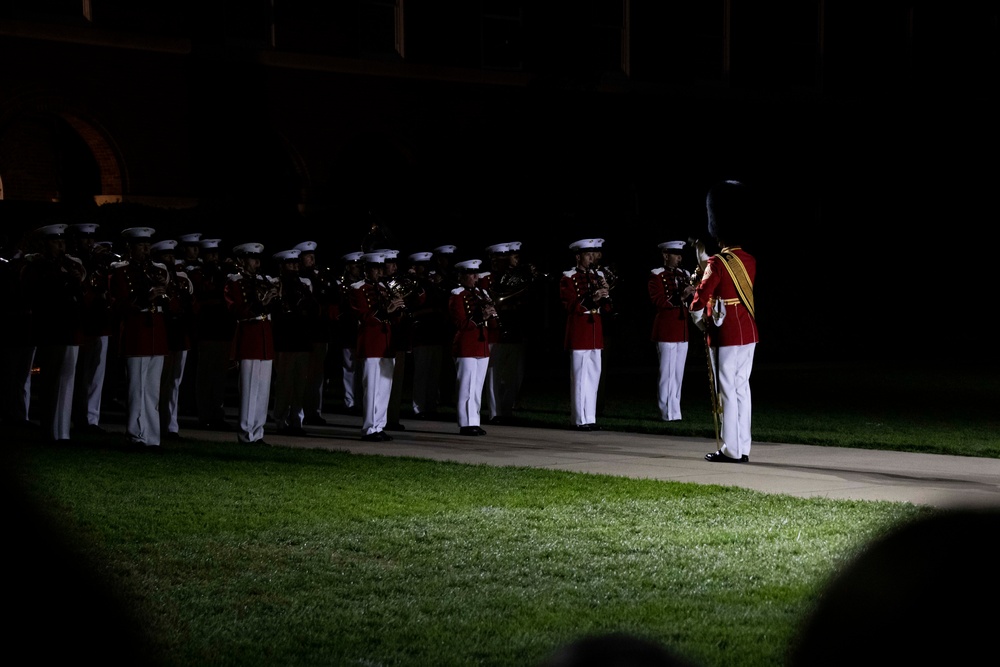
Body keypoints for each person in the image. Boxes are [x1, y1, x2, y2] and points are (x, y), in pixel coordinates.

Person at [689, 180, 758, 463]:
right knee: (742, 388)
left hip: (726, 332)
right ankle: (743, 446)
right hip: (748, 330)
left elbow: (699, 300)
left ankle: (730, 449)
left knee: (727, 390)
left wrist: (697, 305)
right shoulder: (750, 260)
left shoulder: (718, 263)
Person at [20, 223, 87, 443]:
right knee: (50, 382)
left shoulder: (67, 264)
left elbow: (78, 293)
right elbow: (38, 294)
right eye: (56, 242)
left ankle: (63, 431)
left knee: (66, 380)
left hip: (68, 328)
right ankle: (49, 430)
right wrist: (64, 279)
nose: (61, 246)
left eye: (62, 242)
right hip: (50, 329)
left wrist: (74, 280)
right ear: (45, 244)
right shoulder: (37, 266)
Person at [107, 227, 169, 450]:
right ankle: (135, 434)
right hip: (136, 330)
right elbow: (118, 303)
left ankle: (152, 437)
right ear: (130, 248)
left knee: (152, 390)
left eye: (147, 245)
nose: (145, 249)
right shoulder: (121, 271)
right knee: (136, 388)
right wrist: (145, 297)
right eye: (140, 245)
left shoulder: (157, 269)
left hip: (156, 331)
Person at [225, 242, 279, 446]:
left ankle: (258, 432)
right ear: (241, 261)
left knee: (263, 390)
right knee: (249, 389)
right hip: (249, 335)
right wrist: (262, 303)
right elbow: (236, 309)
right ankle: (246, 433)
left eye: (258, 258)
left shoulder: (263, 280)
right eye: (252, 258)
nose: (257, 262)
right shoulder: (234, 282)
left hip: (264, 336)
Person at [350, 251, 405, 441]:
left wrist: (397, 309)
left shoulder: (384, 288)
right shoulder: (358, 288)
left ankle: (379, 425)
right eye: (375, 269)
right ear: (367, 269)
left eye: (381, 268)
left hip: (386, 344)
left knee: (384, 389)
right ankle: (370, 428)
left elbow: (393, 318)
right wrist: (386, 310)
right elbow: (363, 316)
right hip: (371, 344)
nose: (379, 272)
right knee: (372, 389)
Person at [559, 238, 612, 431]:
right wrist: (593, 298)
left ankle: (590, 418)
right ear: (578, 256)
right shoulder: (568, 277)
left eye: (593, 255)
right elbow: (570, 304)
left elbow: (607, 307)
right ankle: (579, 419)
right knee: (580, 377)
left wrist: (606, 294)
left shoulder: (597, 275)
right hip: (580, 330)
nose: (592, 258)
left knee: (594, 376)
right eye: (588, 255)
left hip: (595, 330)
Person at [67, 222, 114, 434]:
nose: (90, 242)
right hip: (84, 322)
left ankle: (92, 419)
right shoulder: (75, 262)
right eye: (85, 238)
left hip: (100, 322)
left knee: (97, 374)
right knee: (81, 374)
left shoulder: (99, 262)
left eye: (91, 238)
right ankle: (80, 417)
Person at [150, 239, 195, 440]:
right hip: (165, 332)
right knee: (162, 380)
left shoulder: (182, 278)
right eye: (166, 255)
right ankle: (160, 423)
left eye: (171, 255)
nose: (170, 258)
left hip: (179, 333)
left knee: (175, 382)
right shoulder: (156, 276)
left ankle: (171, 424)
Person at [271, 248, 319, 436]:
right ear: (282, 266)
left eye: (295, 264)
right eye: (290, 264)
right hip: (285, 339)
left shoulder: (304, 284)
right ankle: (280, 420)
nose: (294, 267)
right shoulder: (277, 283)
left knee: (300, 383)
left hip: (302, 338)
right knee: (284, 382)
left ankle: (296, 421)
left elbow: (312, 306)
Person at [190, 238, 236, 430]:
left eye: (215, 254)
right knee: (206, 375)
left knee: (219, 376)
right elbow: (203, 293)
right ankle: (204, 415)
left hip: (222, 330)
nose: (214, 258)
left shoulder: (223, 273)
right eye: (210, 254)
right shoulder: (197, 273)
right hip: (207, 329)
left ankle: (217, 413)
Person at [449, 259, 497, 436]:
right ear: (461, 276)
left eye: (476, 273)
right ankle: (465, 423)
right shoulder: (457, 294)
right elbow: (460, 322)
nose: (476, 277)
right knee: (466, 386)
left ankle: (474, 421)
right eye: (471, 274)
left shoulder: (482, 292)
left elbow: (491, 324)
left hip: (481, 344)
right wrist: (481, 316)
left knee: (477, 387)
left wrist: (491, 315)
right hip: (466, 345)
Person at [648, 240, 694, 422]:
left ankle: (676, 411)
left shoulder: (685, 274)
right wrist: (681, 296)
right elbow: (658, 300)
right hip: (666, 329)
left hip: (682, 330)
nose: (679, 258)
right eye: (676, 255)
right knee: (667, 373)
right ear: (666, 255)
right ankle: (666, 412)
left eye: (680, 255)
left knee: (678, 374)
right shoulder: (656, 275)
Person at [294, 240, 334, 426]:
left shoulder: (320, 275)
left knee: (318, 374)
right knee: (303, 373)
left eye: (312, 256)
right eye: (307, 256)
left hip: (320, 331)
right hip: (305, 331)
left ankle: (314, 412)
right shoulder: (299, 277)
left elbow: (330, 295)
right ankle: (300, 411)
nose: (312, 258)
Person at [408, 250, 449, 420]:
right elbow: (415, 305)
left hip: (435, 332)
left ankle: (431, 406)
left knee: (433, 373)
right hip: (422, 333)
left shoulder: (434, 284)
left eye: (426, 266)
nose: (425, 270)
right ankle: (419, 408)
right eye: (421, 267)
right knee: (422, 373)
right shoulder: (413, 285)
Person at [334, 251, 364, 414]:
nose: (358, 268)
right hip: (348, 330)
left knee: (360, 368)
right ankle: (350, 401)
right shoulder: (342, 285)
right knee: (349, 367)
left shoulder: (361, 283)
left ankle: (358, 400)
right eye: (355, 265)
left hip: (360, 330)